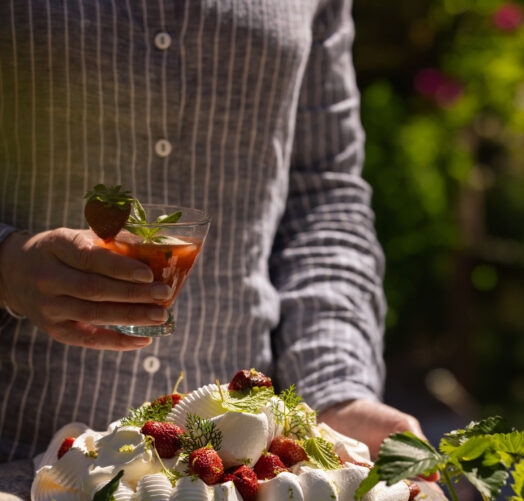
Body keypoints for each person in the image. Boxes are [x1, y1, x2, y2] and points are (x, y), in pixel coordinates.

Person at [0, 0, 422, 463]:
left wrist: (337, 391)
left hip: (235, 485)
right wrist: (8, 268)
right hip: (14, 459)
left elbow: (320, 197)